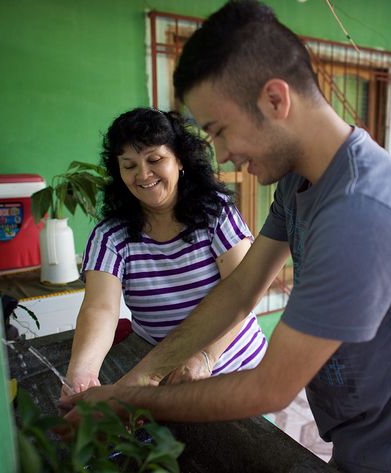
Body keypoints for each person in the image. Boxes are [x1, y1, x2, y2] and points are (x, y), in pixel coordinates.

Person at [62, 2, 391, 472]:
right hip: (359, 438)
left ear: (275, 100)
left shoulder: (363, 211)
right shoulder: (298, 182)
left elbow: (270, 388)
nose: (225, 156)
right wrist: (141, 378)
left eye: (221, 131)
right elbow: (239, 290)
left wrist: (129, 402)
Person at [62, 107, 267, 396]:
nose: (143, 175)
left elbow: (244, 290)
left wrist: (204, 356)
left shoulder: (215, 214)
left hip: (241, 372)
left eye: (154, 160)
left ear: (180, 160)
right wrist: (81, 373)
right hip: (163, 382)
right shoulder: (109, 236)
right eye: (129, 165)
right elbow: (101, 308)